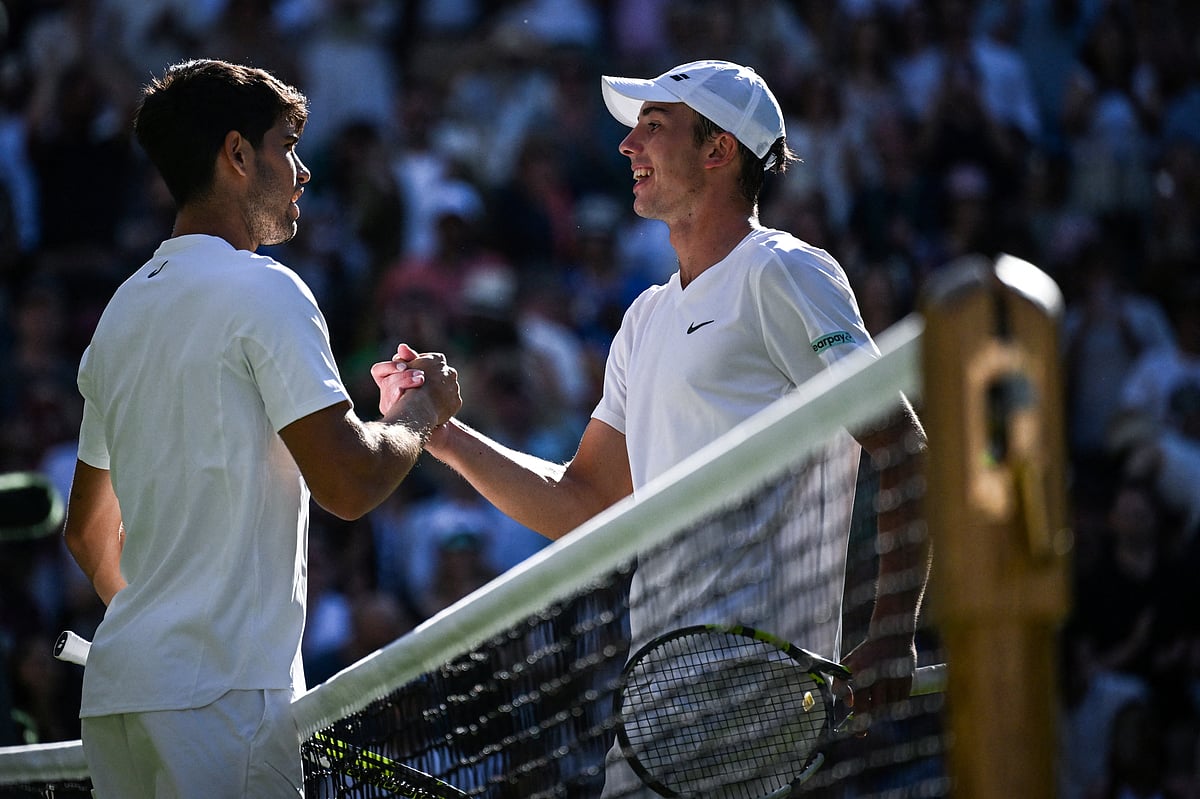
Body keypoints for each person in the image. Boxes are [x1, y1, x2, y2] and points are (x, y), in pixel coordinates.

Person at [419, 59, 930, 795]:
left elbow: (902, 445)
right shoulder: (645, 316)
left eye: (653, 130)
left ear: (718, 150)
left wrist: (891, 629)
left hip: (751, 682)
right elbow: (587, 499)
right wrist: (445, 434)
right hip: (659, 684)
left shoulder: (780, 270)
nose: (628, 147)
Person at [61, 59, 460, 798]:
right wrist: (419, 413)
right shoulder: (268, 289)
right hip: (221, 700)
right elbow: (349, 482)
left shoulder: (119, 311)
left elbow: (87, 533)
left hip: (119, 698)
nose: (302, 171)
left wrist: (159, 635)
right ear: (238, 155)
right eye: (288, 146)